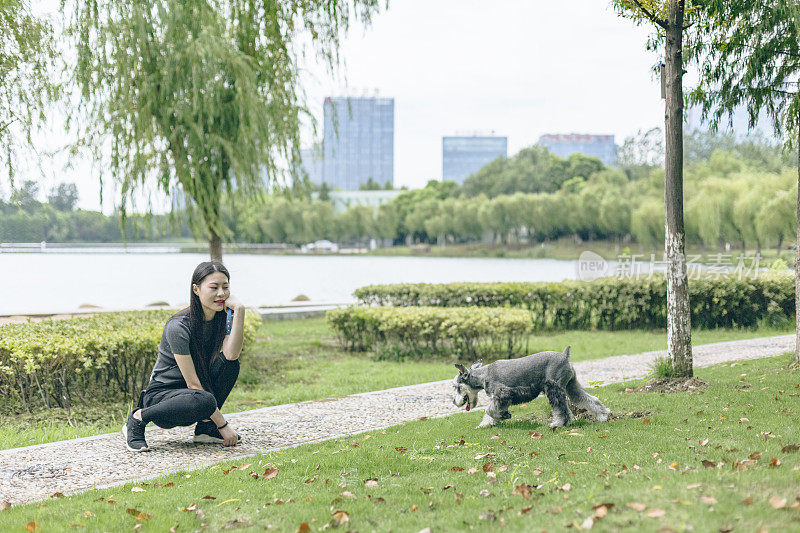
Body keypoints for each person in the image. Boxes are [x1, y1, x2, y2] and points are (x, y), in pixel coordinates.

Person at [122, 261, 246, 451]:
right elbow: (193, 385)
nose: (221, 293)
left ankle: (206, 429)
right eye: (214, 287)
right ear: (196, 290)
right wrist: (223, 425)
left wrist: (240, 311)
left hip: (196, 394)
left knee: (231, 365)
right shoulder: (179, 326)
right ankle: (139, 418)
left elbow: (230, 354)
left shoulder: (222, 316)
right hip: (163, 396)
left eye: (225, 287)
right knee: (203, 399)